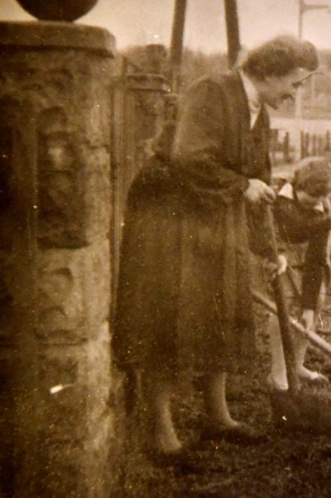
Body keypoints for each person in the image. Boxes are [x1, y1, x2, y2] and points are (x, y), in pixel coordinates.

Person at [113, 34, 319, 461]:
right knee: (168, 314)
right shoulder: (212, 91)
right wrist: (242, 186)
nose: (295, 95)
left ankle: (217, 415)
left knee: (220, 307)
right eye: (295, 84)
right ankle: (160, 430)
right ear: (270, 72)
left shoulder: (258, 113)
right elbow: (189, 158)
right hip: (168, 213)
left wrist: (271, 249)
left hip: (213, 212)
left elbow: (259, 186)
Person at [266, 158, 331, 391]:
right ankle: (278, 372)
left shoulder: (324, 214)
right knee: (283, 305)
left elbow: (316, 260)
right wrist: (278, 253)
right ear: (298, 185)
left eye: (318, 199)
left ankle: (297, 364)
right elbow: (265, 229)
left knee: (314, 303)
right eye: (309, 198)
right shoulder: (276, 195)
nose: (313, 204)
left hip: (307, 257)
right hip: (278, 253)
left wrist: (308, 306)